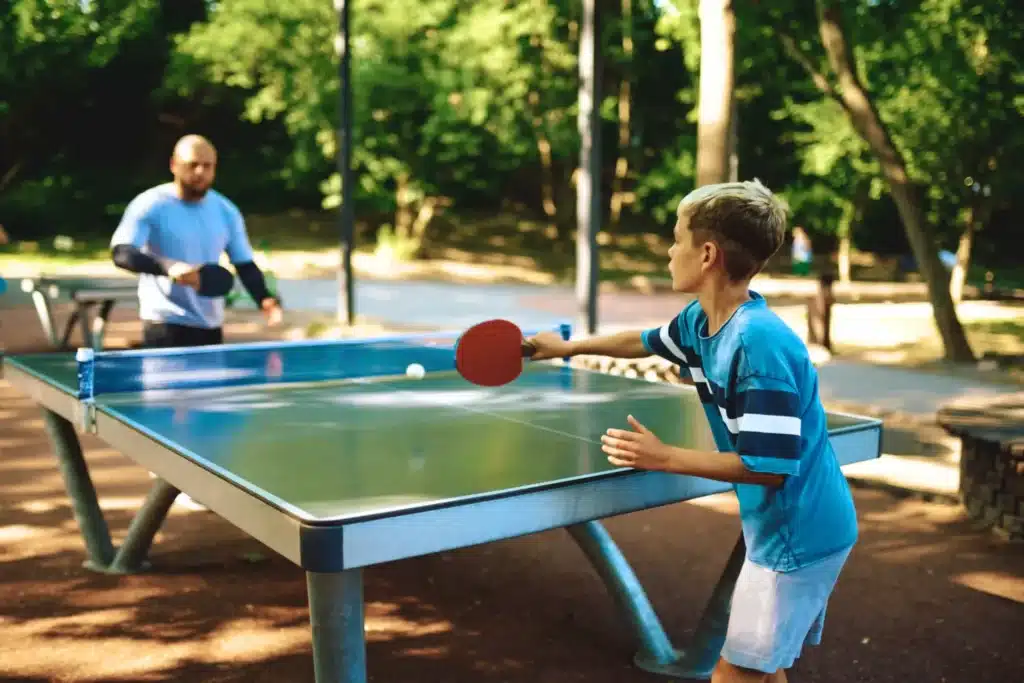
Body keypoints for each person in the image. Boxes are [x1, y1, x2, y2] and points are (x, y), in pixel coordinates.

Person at [526, 180, 858, 683]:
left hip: (797, 533)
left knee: (734, 672)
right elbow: (642, 342)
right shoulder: (703, 322)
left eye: (676, 238)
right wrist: (568, 348)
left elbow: (768, 466)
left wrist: (665, 457)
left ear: (706, 254)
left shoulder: (756, 346)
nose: (668, 250)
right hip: (787, 527)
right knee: (762, 671)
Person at [110, 134, 282, 348]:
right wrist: (168, 266)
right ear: (174, 165)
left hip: (210, 325)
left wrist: (265, 299)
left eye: (207, 165)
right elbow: (122, 253)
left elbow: (244, 263)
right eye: (192, 165)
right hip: (164, 322)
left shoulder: (226, 211)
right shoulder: (150, 204)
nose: (200, 172)